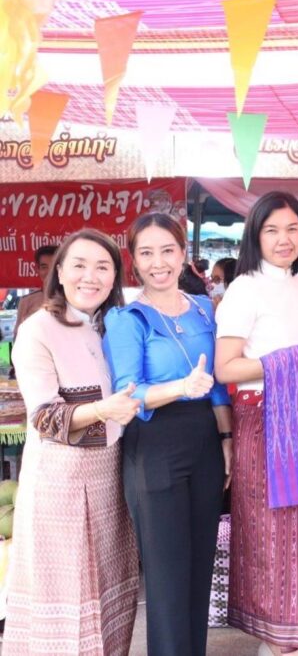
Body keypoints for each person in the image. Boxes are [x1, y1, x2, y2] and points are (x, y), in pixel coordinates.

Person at [213, 191, 298, 655]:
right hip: (263, 418)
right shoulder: (244, 288)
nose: (284, 239)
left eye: (292, 229)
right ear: (255, 236)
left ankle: (289, 638)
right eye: (272, 230)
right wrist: (287, 362)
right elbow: (225, 367)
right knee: (272, 532)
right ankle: (277, 640)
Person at [102, 213, 233, 656]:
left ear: (182, 254)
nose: (158, 262)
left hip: (205, 441)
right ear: (134, 261)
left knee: (198, 568)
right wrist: (181, 387)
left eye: (167, 251)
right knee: (167, 575)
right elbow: (128, 392)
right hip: (155, 442)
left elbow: (217, 385)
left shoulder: (204, 309)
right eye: (146, 253)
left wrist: (227, 439)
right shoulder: (127, 318)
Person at [6, 229, 141, 655]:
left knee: (109, 591)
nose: (90, 277)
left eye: (103, 267)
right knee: (66, 598)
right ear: (60, 273)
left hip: (110, 479)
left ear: (115, 276)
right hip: (59, 486)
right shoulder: (38, 330)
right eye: (79, 265)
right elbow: (44, 417)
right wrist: (103, 410)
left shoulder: (110, 326)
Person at [13, 244, 57, 340]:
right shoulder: (26, 302)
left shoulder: (74, 300)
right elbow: (18, 338)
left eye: (53, 267)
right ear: (38, 270)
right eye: (44, 267)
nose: (49, 272)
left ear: (61, 269)